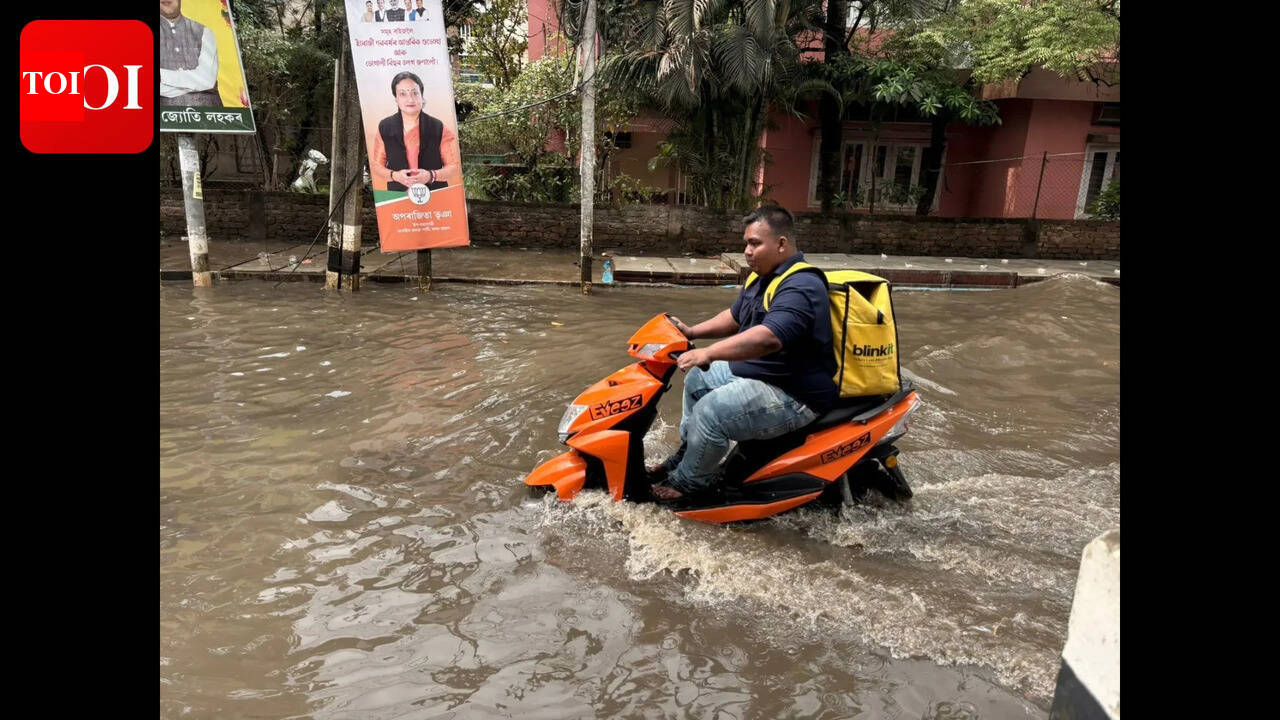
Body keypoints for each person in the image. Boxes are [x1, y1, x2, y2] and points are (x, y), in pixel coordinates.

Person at [649, 205, 838, 501]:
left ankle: (690, 484)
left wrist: (709, 353)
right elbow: (736, 316)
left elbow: (769, 338)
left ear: (781, 244)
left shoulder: (801, 285)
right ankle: (689, 456)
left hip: (793, 392)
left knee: (711, 412)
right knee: (698, 379)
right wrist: (692, 332)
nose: (747, 251)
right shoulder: (762, 277)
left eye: (755, 243)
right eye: (746, 244)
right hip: (766, 372)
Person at [370, 72, 462, 192]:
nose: (410, 99)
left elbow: (454, 167)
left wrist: (431, 175)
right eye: (403, 94)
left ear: (422, 97)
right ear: (396, 99)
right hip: (396, 199)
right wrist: (394, 175)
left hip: (435, 197)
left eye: (415, 93)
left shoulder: (438, 127)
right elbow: (376, 166)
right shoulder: (385, 127)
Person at [159, 0, 220, 107]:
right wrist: (195, 84)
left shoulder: (205, 32)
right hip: (163, 116)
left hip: (210, 115)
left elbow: (207, 80)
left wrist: (161, 76)